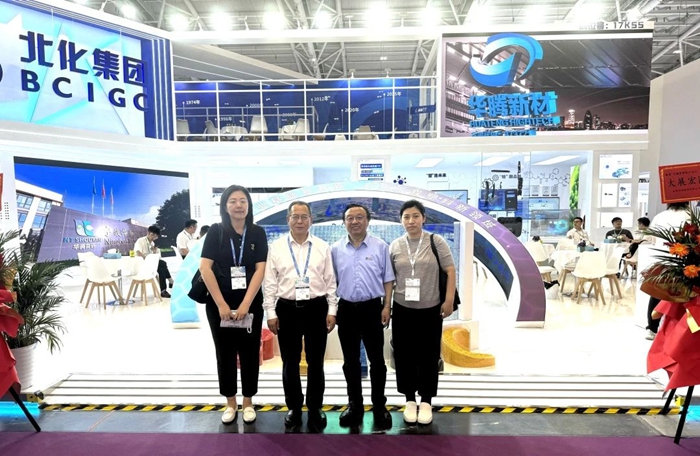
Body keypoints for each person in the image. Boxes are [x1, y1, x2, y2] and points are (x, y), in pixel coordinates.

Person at [263, 201, 338, 430]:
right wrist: (270, 312)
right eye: (295, 216)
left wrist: (332, 310)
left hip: (316, 308)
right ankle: (294, 407)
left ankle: (315, 407)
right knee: (290, 362)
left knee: (316, 361)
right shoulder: (276, 247)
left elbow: (330, 281)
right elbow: (270, 282)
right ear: (288, 219)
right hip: (287, 309)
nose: (299, 221)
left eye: (304, 217)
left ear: (311, 220)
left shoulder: (322, 246)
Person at [199, 185, 268, 424]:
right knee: (224, 353)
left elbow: (260, 269)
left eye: (243, 201)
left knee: (250, 353)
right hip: (219, 305)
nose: (238, 205)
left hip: (251, 304)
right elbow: (205, 268)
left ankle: (248, 401)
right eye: (233, 201)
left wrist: (247, 303)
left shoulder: (257, 233)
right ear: (225, 206)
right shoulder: (216, 231)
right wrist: (221, 304)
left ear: (249, 205)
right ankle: (230, 402)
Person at [389, 200, 455, 426]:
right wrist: (386, 305)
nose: (411, 221)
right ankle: (409, 399)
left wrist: (448, 300)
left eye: (415, 216)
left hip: (430, 309)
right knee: (404, 355)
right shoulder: (395, 245)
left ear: (423, 218)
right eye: (406, 217)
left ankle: (426, 400)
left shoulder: (436, 241)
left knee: (428, 355)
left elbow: (450, 270)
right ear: (401, 220)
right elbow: (389, 279)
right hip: (402, 309)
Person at [330, 203, 394, 428]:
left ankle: (379, 405)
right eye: (350, 218)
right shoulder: (335, 249)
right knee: (350, 362)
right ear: (343, 222)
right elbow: (332, 282)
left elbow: (388, 279)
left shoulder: (380, 246)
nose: (354, 221)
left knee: (377, 361)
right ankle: (354, 405)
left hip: (372, 309)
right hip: (346, 310)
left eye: (359, 217)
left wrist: (387, 306)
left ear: (368, 221)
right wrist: (332, 310)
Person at [644, 202, 691, 340]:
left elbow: (651, 239)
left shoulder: (660, 216)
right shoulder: (691, 216)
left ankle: (651, 329)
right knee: (685, 297)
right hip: (685, 262)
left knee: (656, 295)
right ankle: (681, 331)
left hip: (662, 261)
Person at [133, 226, 173, 298]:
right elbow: (138, 252)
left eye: (155, 236)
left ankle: (163, 290)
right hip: (141, 264)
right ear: (148, 233)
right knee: (162, 263)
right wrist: (147, 259)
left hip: (150, 265)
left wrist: (154, 252)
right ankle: (170, 281)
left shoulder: (152, 244)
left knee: (161, 268)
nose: (153, 237)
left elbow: (153, 256)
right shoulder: (140, 240)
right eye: (152, 235)